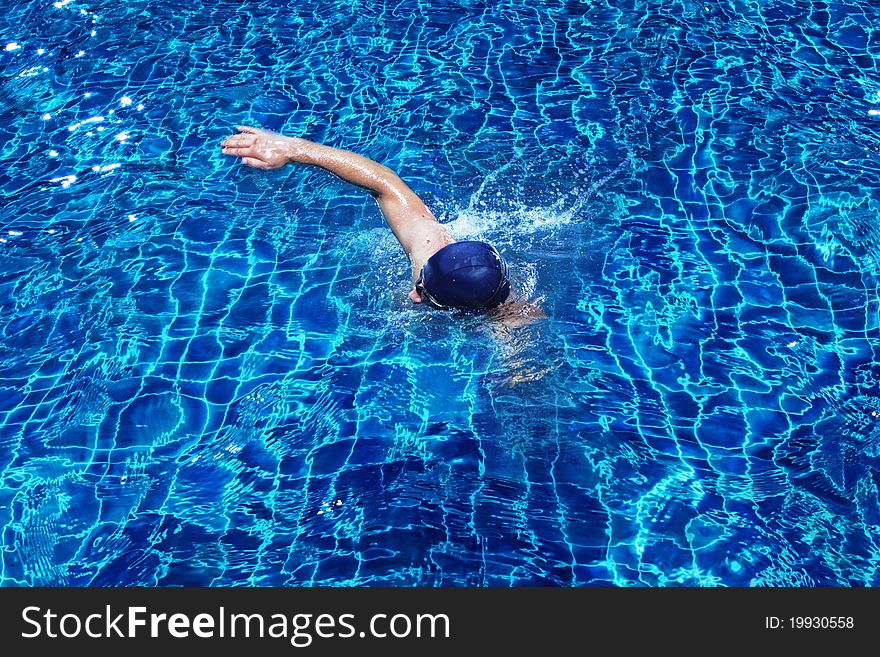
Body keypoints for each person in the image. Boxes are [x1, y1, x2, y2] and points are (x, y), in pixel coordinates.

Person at [221, 126, 541, 323]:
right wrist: (293, 149)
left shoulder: (510, 327)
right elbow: (385, 182)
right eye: (421, 285)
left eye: (424, 291)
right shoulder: (433, 245)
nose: (414, 297)